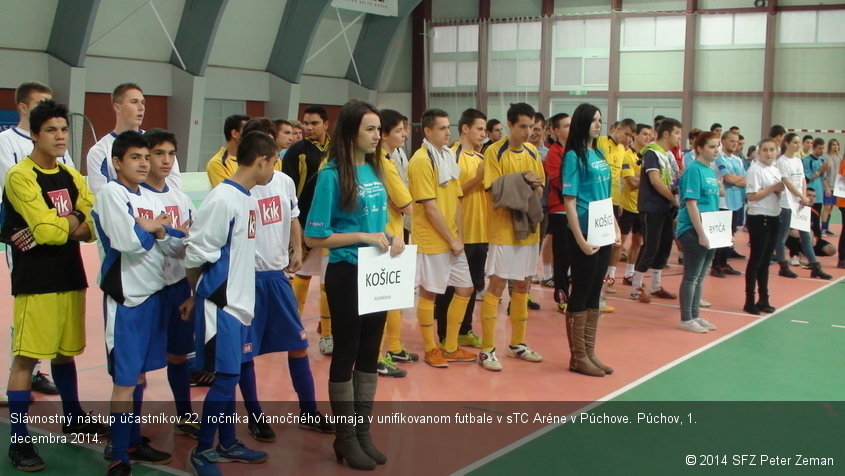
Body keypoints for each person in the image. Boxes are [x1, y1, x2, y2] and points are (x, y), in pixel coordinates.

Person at [2, 100, 106, 472]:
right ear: (34, 134)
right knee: (27, 358)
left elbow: (93, 223)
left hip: (69, 274)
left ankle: (74, 416)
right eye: (51, 130)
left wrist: (72, 220)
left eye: (64, 129)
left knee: (65, 353)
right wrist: (75, 219)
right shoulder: (20, 176)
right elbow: (46, 233)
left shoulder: (70, 174)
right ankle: (19, 441)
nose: (60, 136)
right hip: (37, 281)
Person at [304, 100, 405, 470]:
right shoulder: (331, 175)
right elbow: (316, 237)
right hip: (347, 274)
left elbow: (382, 219)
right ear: (350, 132)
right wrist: (361, 235)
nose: (378, 136)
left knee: (369, 353)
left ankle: (362, 433)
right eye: (371, 129)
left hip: (377, 272)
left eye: (379, 129)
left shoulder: (376, 170)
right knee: (346, 353)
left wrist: (392, 236)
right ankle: (345, 438)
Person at [94, 131, 187, 474]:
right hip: (128, 300)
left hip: (155, 296)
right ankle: (118, 454)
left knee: (140, 377)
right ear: (117, 162)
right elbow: (128, 243)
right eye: (136, 157)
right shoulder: (110, 193)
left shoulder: (155, 199)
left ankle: (131, 439)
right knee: (125, 379)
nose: (144, 163)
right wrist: (154, 230)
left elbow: (177, 242)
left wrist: (155, 228)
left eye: (145, 158)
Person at [184, 131, 275, 474]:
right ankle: (203, 450)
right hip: (221, 305)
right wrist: (201, 295)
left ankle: (228, 443)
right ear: (262, 160)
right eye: (273, 162)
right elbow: (196, 253)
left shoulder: (247, 198)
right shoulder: (222, 199)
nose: (274, 170)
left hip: (239, 304)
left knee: (231, 376)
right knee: (225, 378)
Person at [246, 151, 335, 440]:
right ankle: (255, 416)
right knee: (245, 353)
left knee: (298, 345)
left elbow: (294, 217)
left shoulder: (284, 182)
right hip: (248, 280)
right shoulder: (237, 189)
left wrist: (297, 249)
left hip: (277, 277)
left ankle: (309, 411)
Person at [0, 81, 76, 398]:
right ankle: (24, 373)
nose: (59, 133)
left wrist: (63, 221)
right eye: (41, 102)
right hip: (24, 240)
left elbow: (76, 196)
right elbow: (23, 196)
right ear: (23, 107)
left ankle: (42, 375)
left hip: (61, 250)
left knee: (62, 334)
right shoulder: (6, 144)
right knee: (28, 316)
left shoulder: (60, 151)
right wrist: (56, 221)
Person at [140, 129, 199, 438]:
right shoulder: (135, 197)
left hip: (178, 287)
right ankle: (130, 430)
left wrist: (169, 232)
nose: (165, 160)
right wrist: (176, 234)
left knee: (178, 355)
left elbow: (193, 242)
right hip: (147, 291)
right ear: (145, 156)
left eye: (171, 154)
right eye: (159, 153)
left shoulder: (181, 198)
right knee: (137, 365)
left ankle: (185, 415)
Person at [479, 102, 546, 372]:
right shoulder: (494, 152)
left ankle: (517, 343)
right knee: (496, 287)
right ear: (510, 125)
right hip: (503, 230)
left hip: (528, 230)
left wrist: (531, 184)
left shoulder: (532, 151)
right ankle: (486, 349)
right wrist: (523, 180)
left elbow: (539, 191)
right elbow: (495, 191)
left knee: (523, 286)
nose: (529, 132)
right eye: (523, 126)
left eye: (532, 126)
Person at [407, 108, 476, 369]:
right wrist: (451, 239)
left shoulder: (447, 155)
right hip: (432, 239)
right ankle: (430, 348)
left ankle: (450, 346)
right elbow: (430, 207)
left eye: (449, 127)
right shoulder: (421, 160)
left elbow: (456, 199)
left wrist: (459, 236)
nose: (448, 132)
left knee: (465, 288)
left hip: (452, 239)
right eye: (442, 128)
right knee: (429, 293)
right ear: (427, 131)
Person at [562, 103, 619, 377]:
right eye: (594, 120)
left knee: (597, 289)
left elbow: (605, 195)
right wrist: (580, 240)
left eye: (600, 120)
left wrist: (615, 227)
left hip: (603, 227)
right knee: (581, 290)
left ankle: (590, 351)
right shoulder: (574, 156)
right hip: (584, 229)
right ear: (582, 123)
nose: (598, 125)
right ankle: (578, 356)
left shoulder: (598, 152)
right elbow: (569, 202)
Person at [434, 108, 488, 352]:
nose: (483, 134)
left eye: (484, 130)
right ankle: (446, 334)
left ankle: (465, 330)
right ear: (465, 128)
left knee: (474, 284)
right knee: (451, 287)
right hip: (459, 233)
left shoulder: (481, 158)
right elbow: (451, 195)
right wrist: (477, 179)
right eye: (479, 129)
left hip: (481, 231)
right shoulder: (451, 155)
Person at [282, 105, 333, 355]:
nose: (308, 128)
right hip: (304, 224)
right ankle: (291, 327)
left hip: (332, 226)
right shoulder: (295, 152)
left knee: (328, 282)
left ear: (326, 124)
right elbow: (289, 195)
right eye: (305, 123)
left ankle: (328, 334)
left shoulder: (338, 150)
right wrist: (297, 231)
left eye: (314, 123)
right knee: (301, 275)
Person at [376, 109, 415, 377]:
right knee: (381, 300)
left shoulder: (391, 157)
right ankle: (376, 357)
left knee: (392, 298)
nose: (404, 134)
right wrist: (403, 203)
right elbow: (407, 204)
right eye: (399, 129)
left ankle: (393, 348)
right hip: (385, 237)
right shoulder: (382, 161)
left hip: (393, 234)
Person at [87, 83, 182, 194]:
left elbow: (174, 185)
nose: (141, 108)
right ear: (117, 107)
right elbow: (101, 193)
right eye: (134, 102)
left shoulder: (159, 142)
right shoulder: (99, 151)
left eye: (143, 103)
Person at [630, 118, 682, 303]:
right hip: (651, 207)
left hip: (665, 208)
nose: (679, 137)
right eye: (676, 133)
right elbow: (655, 181)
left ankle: (655, 285)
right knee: (650, 245)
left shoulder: (668, 155)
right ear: (666, 133)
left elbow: (674, 178)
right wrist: (673, 199)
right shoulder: (652, 153)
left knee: (665, 245)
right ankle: (636, 287)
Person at [675, 132, 721, 333]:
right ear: (699, 148)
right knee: (691, 276)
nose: (716, 150)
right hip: (693, 229)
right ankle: (686, 318)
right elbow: (691, 203)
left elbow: (713, 202)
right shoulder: (693, 170)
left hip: (711, 228)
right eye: (712, 146)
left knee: (701, 276)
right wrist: (701, 232)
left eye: (717, 146)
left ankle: (695, 315)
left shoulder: (710, 171)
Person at [774, 133, 832, 280]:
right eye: (794, 142)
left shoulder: (797, 160)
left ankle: (815, 267)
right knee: (782, 237)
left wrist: (804, 196)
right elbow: (786, 182)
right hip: (787, 204)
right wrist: (801, 196)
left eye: (798, 142)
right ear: (786, 143)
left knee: (806, 236)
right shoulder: (781, 161)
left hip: (800, 204)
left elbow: (802, 180)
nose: (797, 145)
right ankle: (783, 266)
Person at [743, 139, 786, 315]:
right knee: (756, 260)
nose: (769, 153)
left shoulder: (774, 169)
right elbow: (752, 196)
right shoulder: (755, 169)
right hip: (760, 216)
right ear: (759, 152)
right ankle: (749, 300)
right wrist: (773, 188)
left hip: (774, 215)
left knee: (766, 260)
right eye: (765, 150)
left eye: (772, 150)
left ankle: (764, 298)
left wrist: (779, 190)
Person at [597, 118, 636, 294]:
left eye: (631, 136)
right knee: (597, 244)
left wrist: (618, 202)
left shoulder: (622, 150)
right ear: (616, 128)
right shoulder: (600, 143)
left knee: (610, 244)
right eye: (626, 133)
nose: (628, 138)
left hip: (614, 202)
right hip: (599, 200)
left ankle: (604, 281)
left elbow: (618, 178)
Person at [543, 112, 571, 313]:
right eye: (566, 125)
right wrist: (576, 192)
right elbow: (556, 180)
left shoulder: (577, 150)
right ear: (555, 130)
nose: (570, 129)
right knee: (562, 255)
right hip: (561, 210)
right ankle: (561, 293)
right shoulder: (554, 152)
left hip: (579, 210)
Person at [619, 124, 651, 286]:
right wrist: (648, 178)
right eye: (644, 134)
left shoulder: (648, 157)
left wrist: (641, 177)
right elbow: (631, 182)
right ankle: (608, 277)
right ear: (636, 136)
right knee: (619, 243)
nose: (647, 137)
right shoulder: (627, 155)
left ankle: (629, 274)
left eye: (649, 135)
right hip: (627, 206)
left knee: (637, 241)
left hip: (642, 206)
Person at [711, 131, 746, 277]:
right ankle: (715, 266)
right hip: (722, 202)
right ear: (723, 141)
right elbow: (728, 178)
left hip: (736, 201)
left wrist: (736, 180)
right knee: (720, 235)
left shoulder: (738, 160)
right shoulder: (718, 157)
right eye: (731, 141)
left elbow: (745, 179)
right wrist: (736, 180)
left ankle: (724, 263)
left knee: (730, 235)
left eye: (736, 142)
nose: (734, 144)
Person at [206, 114, 249, 187]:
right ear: (235, 133)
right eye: (248, 131)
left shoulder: (254, 159)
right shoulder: (217, 163)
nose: (253, 135)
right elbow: (228, 192)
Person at [821, 138, 841, 237]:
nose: (835, 146)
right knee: (827, 207)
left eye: (837, 145)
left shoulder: (840, 158)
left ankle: (827, 228)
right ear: (830, 146)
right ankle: (823, 229)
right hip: (828, 186)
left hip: (837, 187)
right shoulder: (825, 157)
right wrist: (826, 187)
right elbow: (823, 174)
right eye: (833, 145)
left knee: (831, 208)